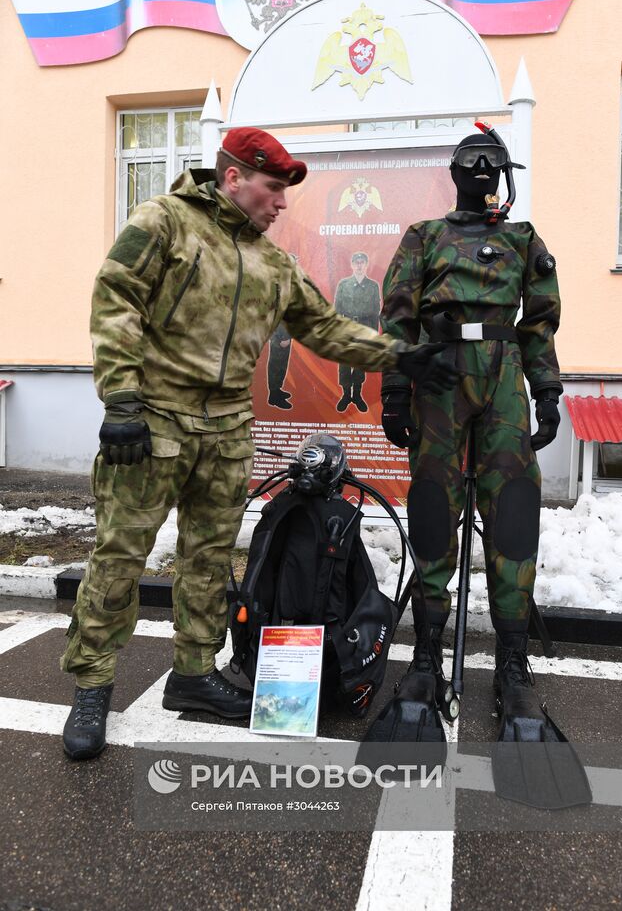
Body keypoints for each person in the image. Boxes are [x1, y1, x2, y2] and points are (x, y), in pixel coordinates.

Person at [60, 126, 459, 760]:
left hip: (225, 429)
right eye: (273, 189)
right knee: (120, 557)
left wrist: (404, 358)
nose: (280, 204)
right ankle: (92, 684)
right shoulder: (164, 221)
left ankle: (193, 673)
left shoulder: (274, 263)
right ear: (233, 178)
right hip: (154, 421)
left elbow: (325, 328)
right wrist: (121, 401)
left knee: (211, 558)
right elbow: (116, 299)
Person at [380, 130, 562, 735]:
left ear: (503, 175)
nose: (482, 172)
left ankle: (513, 663)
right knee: (434, 508)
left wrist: (547, 392)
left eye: (492, 165)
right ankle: (427, 655)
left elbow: (538, 325)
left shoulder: (522, 238)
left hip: (505, 378)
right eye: (471, 163)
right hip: (440, 376)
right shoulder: (424, 237)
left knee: (512, 511)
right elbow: (399, 314)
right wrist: (395, 390)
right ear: (453, 172)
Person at [334, 252, 381, 412]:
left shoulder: (373, 286)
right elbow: (337, 309)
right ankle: (346, 395)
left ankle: (357, 395)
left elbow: (376, 311)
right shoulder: (343, 284)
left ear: (366, 264)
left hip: (365, 328)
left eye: (362, 262)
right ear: (352, 265)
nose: (359, 265)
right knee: (345, 363)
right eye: (356, 262)